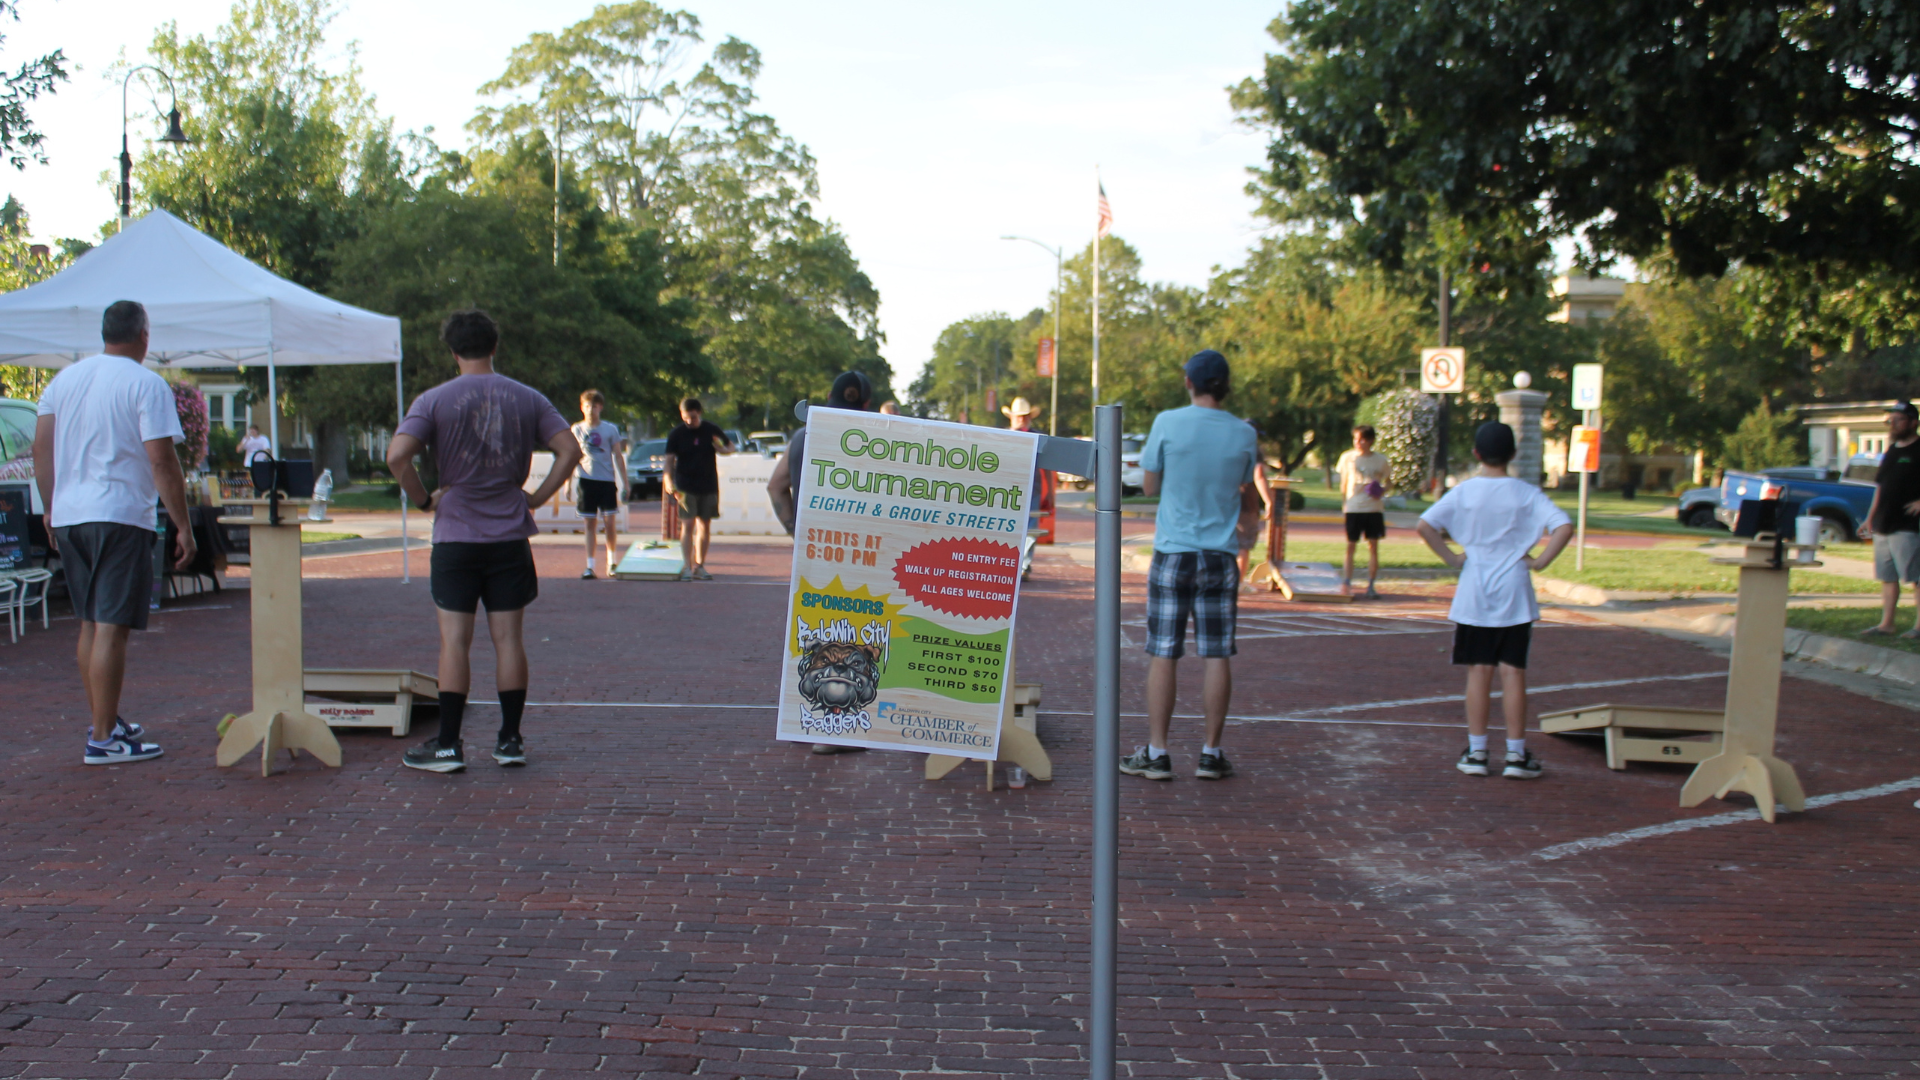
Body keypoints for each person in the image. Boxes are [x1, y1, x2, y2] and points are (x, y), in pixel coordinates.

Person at [386, 309, 582, 773]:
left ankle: (450, 745)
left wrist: (422, 500)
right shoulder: (527, 397)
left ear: (453, 352)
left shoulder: (433, 400)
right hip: (509, 532)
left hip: (455, 533)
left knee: (454, 641)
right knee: (508, 638)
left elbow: (397, 455)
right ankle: (510, 740)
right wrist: (535, 496)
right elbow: (569, 449)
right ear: (495, 347)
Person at [31, 300, 194, 765]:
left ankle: (105, 719)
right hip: (119, 513)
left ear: (104, 333)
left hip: (70, 514)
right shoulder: (146, 384)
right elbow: (161, 460)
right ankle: (103, 738)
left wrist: (49, 506)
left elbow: (43, 448)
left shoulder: (63, 380)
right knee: (112, 625)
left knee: (89, 621)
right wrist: (183, 525)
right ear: (144, 335)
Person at [1120, 350, 1259, 782]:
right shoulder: (1244, 434)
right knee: (1217, 654)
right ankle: (1211, 753)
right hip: (1220, 554)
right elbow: (1248, 496)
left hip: (1174, 552)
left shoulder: (1167, 422)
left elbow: (1149, 483)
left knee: (1164, 652)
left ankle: (1158, 752)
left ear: (1189, 383)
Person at [1414, 422, 1574, 781]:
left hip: (1474, 590)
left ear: (1476, 454)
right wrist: (1539, 561)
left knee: (1479, 670)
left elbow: (1425, 525)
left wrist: (1452, 558)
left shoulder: (1465, 491)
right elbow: (1563, 526)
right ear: (1513, 455)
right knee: (1513, 671)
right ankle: (1516, 754)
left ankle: (1477, 750)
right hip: (1515, 590)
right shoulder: (1525, 493)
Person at [767, 370, 874, 756]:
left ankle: (801, 720)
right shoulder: (866, 440)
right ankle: (831, 734)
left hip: (812, 549)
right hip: (851, 550)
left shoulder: (801, 436)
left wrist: (796, 531)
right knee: (843, 639)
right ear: (865, 406)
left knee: (810, 635)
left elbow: (776, 484)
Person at [1859, 401, 1920, 637]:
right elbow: (1880, 487)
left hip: (1907, 525)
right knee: (1887, 576)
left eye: (1898, 420)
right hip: (1884, 523)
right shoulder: (1892, 451)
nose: (1893, 424)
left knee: (1916, 576)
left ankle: (1918, 627)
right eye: (1890, 420)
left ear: (1913, 423)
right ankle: (1887, 624)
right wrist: (1870, 518)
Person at [663, 398, 734, 581]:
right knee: (687, 524)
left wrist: (721, 450)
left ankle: (699, 565)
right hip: (685, 486)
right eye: (686, 417)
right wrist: (668, 481)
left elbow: (730, 447)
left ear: (699, 413)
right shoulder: (676, 434)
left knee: (705, 524)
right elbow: (668, 462)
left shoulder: (711, 430)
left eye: (693, 418)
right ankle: (686, 565)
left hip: (708, 484)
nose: (689, 421)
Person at [570, 389, 628, 580]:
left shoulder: (609, 429)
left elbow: (618, 457)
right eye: (587, 406)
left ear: (600, 407)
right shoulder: (577, 429)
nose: (590, 409)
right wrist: (567, 483)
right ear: (582, 407)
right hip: (586, 481)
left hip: (606, 481)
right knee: (589, 524)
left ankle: (612, 561)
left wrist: (625, 483)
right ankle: (590, 565)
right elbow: (571, 457)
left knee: (609, 523)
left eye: (594, 406)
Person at [1336, 425, 1392, 598]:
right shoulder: (1347, 458)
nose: (1358, 443)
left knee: (1373, 547)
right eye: (1355, 439)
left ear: (1371, 441)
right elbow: (1343, 483)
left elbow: (1389, 482)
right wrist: (1345, 503)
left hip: (1373, 509)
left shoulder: (1381, 460)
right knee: (1350, 546)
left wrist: (1382, 489)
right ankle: (1347, 582)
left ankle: (1371, 585)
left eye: (1362, 439)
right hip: (1353, 508)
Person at [1235, 422, 1274, 578]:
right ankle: (1237, 584)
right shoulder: (1253, 451)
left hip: (1224, 502)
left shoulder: (1225, 447)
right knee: (1243, 546)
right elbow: (1259, 475)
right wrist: (1269, 501)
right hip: (1246, 504)